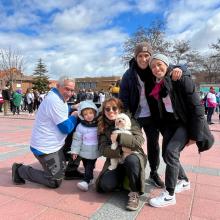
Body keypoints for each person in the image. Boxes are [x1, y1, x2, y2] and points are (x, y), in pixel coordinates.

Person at [148, 54, 213, 207]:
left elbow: (198, 108)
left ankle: (169, 194)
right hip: (171, 124)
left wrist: (195, 135)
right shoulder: (157, 83)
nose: (156, 69)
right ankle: (183, 180)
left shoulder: (180, 77)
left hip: (185, 123)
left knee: (171, 152)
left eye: (159, 64)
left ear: (166, 64)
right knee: (166, 155)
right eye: (153, 67)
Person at [119, 42, 184, 188]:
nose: (143, 59)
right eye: (140, 56)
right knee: (131, 144)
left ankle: (153, 172)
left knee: (153, 145)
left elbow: (170, 68)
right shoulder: (128, 75)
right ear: (135, 58)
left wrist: (179, 69)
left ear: (151, 57)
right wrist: (126, 116)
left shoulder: (154, 69)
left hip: (152, 116)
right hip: (134, 116)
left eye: (146, 56)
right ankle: (130, 171)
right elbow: (123, 99)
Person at [12, 76, 78, 188]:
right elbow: (66, 128)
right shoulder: (55, 101)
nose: (70, 93)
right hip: (45, 148)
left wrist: (71, 108)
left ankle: (62, 167)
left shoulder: (57, 96)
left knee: (63, 167)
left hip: (53, 145)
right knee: (55, 180)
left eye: (72, 90)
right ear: (58, 86)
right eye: (67, 89)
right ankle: (19, 170)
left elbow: (60, 110)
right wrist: (74, 116)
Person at [96, 97, 147, 211]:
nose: (111, 111)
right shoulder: (103, 126)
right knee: (105, 186)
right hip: (116, 159)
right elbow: (103, 149)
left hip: (134, 156)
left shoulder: (130, 121)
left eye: (114, 108)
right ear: (104, 111)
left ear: (120, 109)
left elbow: (139, 141)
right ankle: (123, 178)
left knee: (132, 160)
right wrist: (120, 151)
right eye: (107, 109)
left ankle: (134, 192)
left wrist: (120, 137)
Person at [69, 100, 99, 191]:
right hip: (84, 150)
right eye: (85, 114)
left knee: (90, 165)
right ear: (82, 115)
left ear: (94, 112)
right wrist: (75, 151)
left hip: (94, 150)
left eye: (90, 113)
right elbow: (77, 140)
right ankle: (90, 178)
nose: (88, 116)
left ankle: (86, 181)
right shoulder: (80, 126)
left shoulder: (98, 125)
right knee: (86, 165)